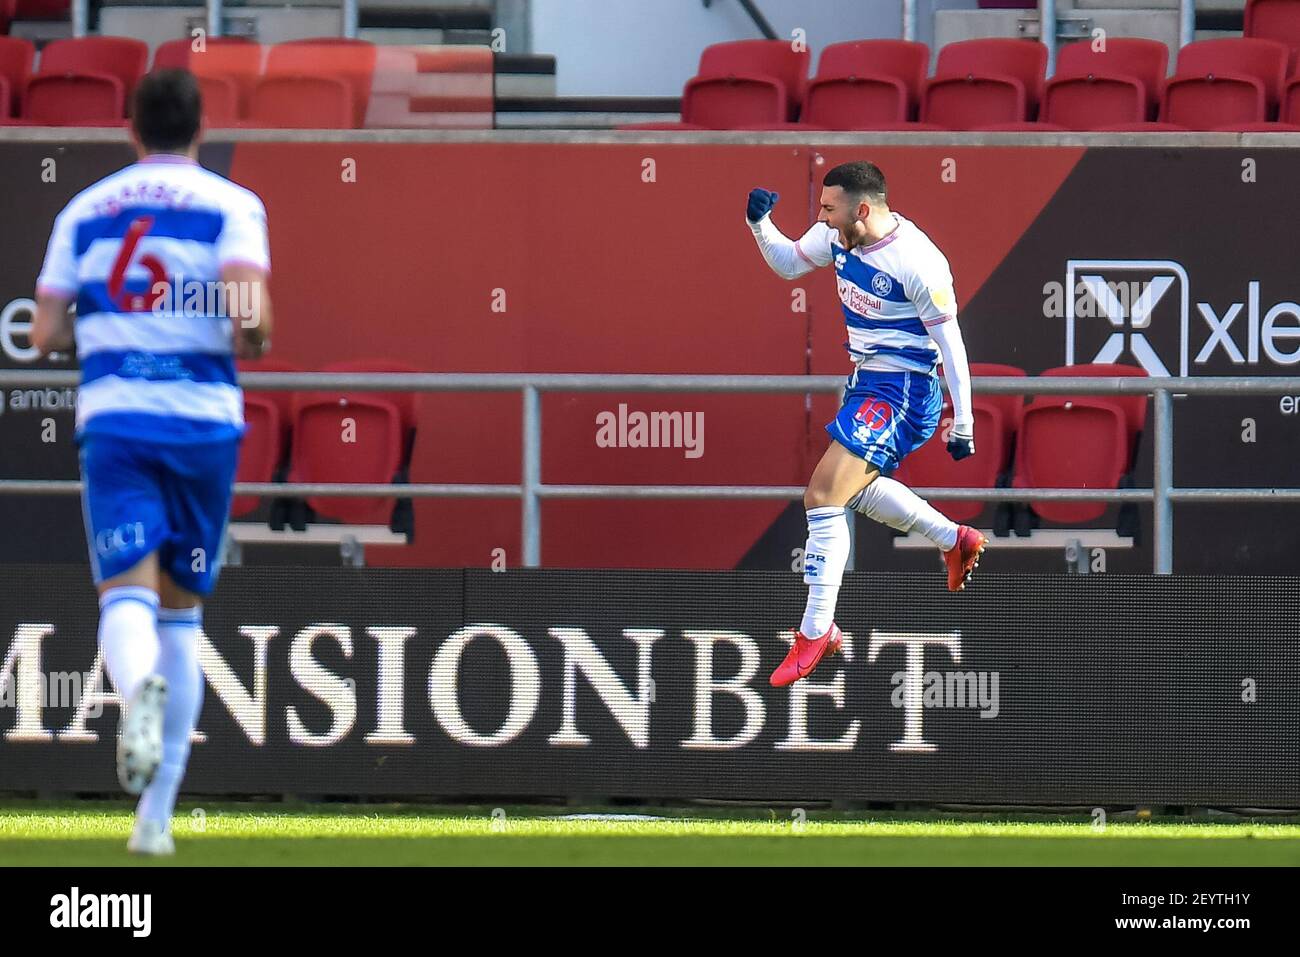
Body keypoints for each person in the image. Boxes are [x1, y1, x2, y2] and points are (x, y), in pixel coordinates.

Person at [31, 68, 273, 854]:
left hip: (120, 423)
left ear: (130, 129)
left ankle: (134, 692)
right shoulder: (233, 206)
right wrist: (251, 331)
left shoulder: (85, 210)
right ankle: (156, 821)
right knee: (182, 613)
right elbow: (248, 314)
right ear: (201, 129)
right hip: (204, 425)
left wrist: (91, 328)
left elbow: (42, 332)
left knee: (124, 598)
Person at [745, 161, 985, 688]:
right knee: (851, 491)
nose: (821, 218)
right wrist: (760, 225)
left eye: (829, 209)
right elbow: (788, 263)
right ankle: (953, 538)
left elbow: (952, 347)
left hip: (904, 390)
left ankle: (815, 632)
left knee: (822, 496)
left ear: (863, 209)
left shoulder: (918, 261)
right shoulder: (838, 236)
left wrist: (962, 420)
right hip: (868, 385)